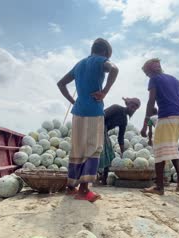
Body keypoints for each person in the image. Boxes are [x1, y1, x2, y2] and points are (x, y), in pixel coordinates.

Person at [57, 38, 119, 202]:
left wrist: (73, 101)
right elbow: (114, 69)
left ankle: (71, 187)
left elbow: (61, 83)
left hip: (78, 112)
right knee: (93, 148)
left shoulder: (79, 64)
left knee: (77, 148)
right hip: (94, 111)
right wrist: (104, 91)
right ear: (106, 52)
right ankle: (84, 190)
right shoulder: (102, 61)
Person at [139, 58, 179, 195]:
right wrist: (178, 113)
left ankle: (159, 187)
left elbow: (151, 101)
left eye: (147, 74)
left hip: (167, 116)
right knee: (171, 147)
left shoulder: (155, 79)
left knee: (159, 150)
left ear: (151, 71)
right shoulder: (175, 79)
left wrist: (145, 122)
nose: (147, 76)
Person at [98, 97, 141, 185]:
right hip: (97, 126)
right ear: (128, 104)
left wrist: (123, 153)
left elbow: (120, 138)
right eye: (133, 105)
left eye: (136, 107)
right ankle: (97, 177)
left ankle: (103, 179)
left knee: (111, 155)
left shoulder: (124, 120)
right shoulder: (116, 108)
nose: (134, 108)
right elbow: (101, 116)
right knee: (105, 150)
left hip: (103, 131)